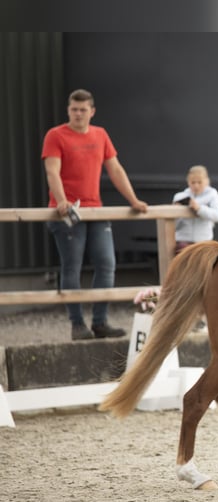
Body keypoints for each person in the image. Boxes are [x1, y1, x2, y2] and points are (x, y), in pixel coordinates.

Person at [42, 88, 149, 341]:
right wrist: (61, 200)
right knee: (72, 266)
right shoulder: (56, 135)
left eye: (83, 110)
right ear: (68, 110)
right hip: (68, 212)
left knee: (106, 264)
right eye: (74, 109)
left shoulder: (100, 135)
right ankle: (77, 324)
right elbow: (52, 172)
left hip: (95, 209)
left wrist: (133, 200)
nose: (78, 114)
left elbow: (115, 169)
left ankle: (100, 321)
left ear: (92, 111)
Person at [171, 164, 218, 255]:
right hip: (183, 240)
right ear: (188, 182)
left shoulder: (212, 194)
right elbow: (174, 225)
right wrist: (177, 212)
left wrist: (199, 209)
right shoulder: (179, 196)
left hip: (203, 240)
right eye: (193, 182)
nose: (196, 186)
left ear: (206, 181)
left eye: (199, 182)